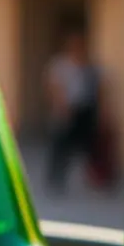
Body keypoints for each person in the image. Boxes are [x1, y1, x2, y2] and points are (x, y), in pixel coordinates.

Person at [45, 26, 102, 193]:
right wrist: (62, 107)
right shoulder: (60, 65)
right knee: (61, 147)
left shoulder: (88, 65)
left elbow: (98, 88)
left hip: (85, 110)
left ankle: (94, 179)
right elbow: (53, 87)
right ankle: (56, 180)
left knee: (88, 146)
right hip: (67, 110)